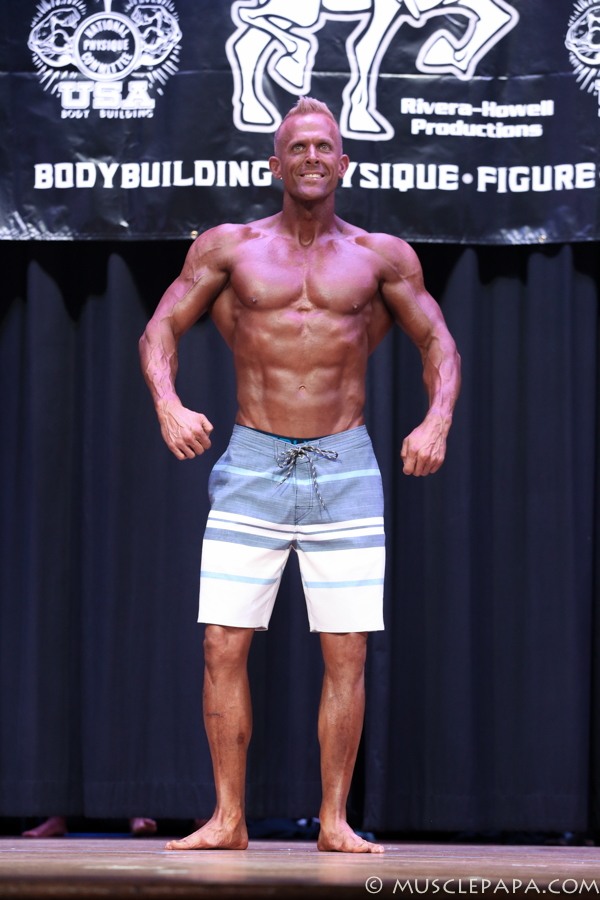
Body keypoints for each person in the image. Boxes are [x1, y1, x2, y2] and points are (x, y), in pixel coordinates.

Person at [139, 97, 461, 854]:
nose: (312, 157)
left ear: (342, 163)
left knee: (346, 649)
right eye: (298, 147)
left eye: (324, 147)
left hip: (344, 465)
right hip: (253, 460)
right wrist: (168, 405)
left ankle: (335, 821)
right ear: (275, 164)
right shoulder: (230, 248)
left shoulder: (381, 257)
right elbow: (161, 326)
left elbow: (439, 343)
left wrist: (437, 419)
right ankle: (228, 819)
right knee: (222, 643)